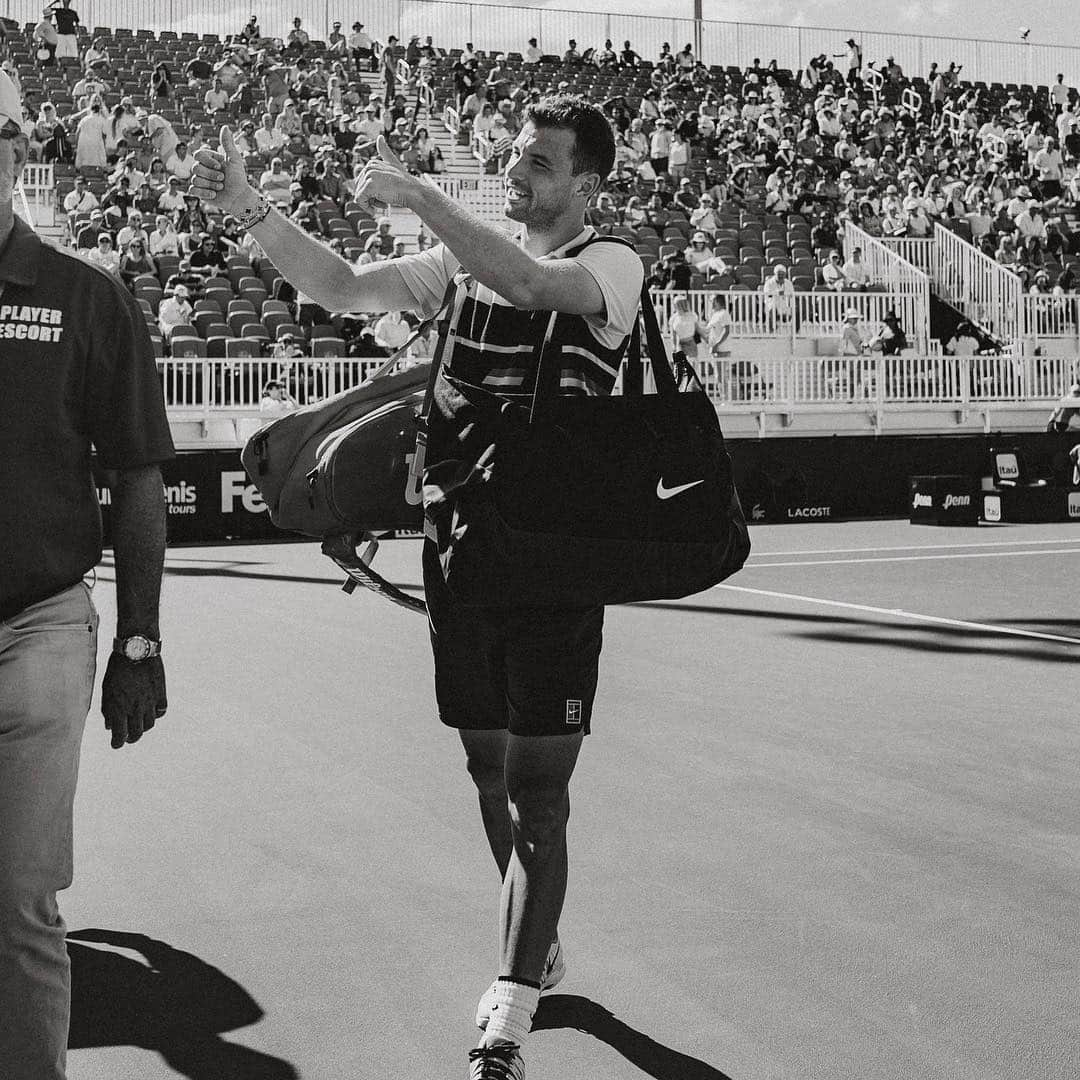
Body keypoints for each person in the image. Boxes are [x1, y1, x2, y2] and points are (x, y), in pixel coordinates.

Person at [191, 93, 643, 1080]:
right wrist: (249, 207)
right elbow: (342, 286)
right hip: (462, 558)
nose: (518, 175)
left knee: (539, 796)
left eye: (538, 164)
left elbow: (528, 281)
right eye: (515, 159)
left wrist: (420, 194)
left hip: (558, 566)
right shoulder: (455, 273)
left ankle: (509, 1018)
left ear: (587, 185)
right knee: (489, 776)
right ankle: (540, 945)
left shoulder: (615, 264)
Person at [0, 69, 173, 1080]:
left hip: (40, 626)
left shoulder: (85, 293)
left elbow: (139, 477)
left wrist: (141, 641)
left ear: (15, 153)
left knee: (18, 901)